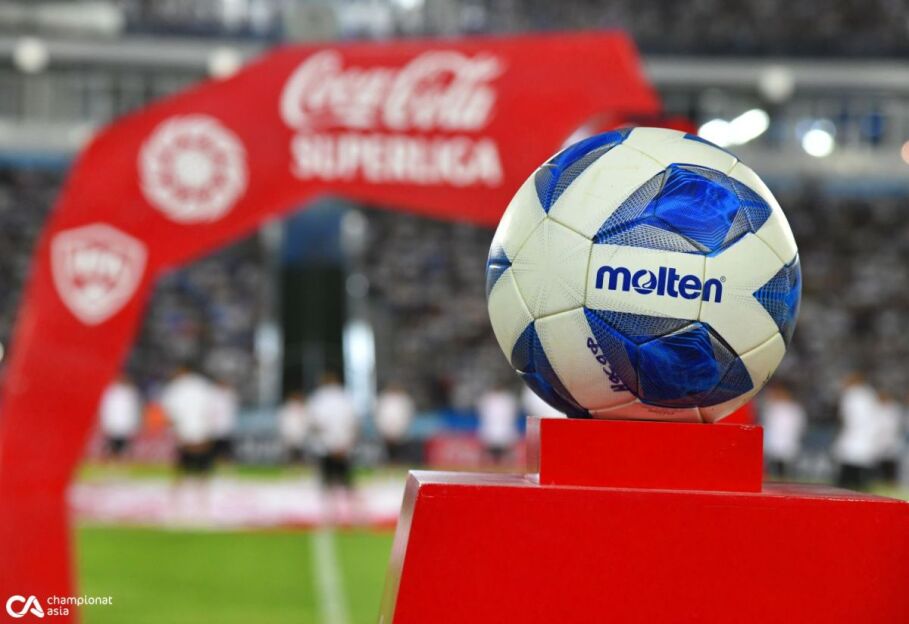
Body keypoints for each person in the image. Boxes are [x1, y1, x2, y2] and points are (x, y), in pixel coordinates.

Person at [160, 365, 217, 519]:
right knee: (202, 469)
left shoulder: (176, 388)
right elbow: (212, 410)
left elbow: (169, 412)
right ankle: (203, 501)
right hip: (201, 434)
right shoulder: (203, 385)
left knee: (182, 469)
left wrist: (175, 431)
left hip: (186, 434)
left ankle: (176, 501)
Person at [307, 372, 359, 522]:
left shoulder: (318, 398)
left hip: (326, 448)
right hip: (343, 447)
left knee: (327, 485)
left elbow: (315, 424)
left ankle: (328, 517)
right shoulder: (345, 398)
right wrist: (343, 444)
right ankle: (354, 516)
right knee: (347, 484)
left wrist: (330, 444)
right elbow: (353, 424)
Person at [833, 373, 880, 490]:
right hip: (867, 439)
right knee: (861, 480)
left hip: (853, 438)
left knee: (845, 479)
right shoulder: (869, 393)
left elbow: (847, 418)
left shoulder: (851, 395)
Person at [761, 382, 806, 479]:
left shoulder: (794, 409)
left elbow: (799, 427)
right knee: (771, 471)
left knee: (784, 472)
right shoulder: (771, 407)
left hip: (787, 445)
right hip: (771, 445)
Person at [98, 374, 143, 461]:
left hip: (124, 423)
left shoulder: (131, 392)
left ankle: (119, 459)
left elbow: (134, 408)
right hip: (114, 423)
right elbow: (106, 407)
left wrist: (135, 422)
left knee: (124, 444)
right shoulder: (112, 391)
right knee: (112, 444)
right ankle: (111, 458)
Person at [477, 384, 519, 465]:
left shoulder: (508, 399)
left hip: (505, 430)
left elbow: (511, 415)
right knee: (489, 455)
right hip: (491, 430)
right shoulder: (487, 398)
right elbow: (483, 413)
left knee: (506, 455)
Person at [375, 382, 415, 464]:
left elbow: (407, 416)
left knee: (401, 457)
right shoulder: (384, 399)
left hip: (401, 436)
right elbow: (379, 416)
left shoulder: (404, 400)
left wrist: (399, 432)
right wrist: (386, 432)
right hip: (386, 435)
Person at [875, 390, 904, 485]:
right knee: (879, 467)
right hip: (879, 443)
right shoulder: (877, 408)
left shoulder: (894, 409)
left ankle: (891, 483)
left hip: (891, 443)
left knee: (890, 467)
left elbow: (894, 427)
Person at [209, 379, 239, 463]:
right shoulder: (213, 395)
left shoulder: (230, 394)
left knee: (226, 447)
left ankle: (226, 461)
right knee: (215, 448)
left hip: (226, 427)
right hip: (215, 428)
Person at [278, 390, 309, 463]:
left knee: (299, 453)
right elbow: (284, 423)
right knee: (290, 454)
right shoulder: (287, 409)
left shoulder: (303, 408)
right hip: (291, 435)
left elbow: (305, 422)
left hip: (299, 436)